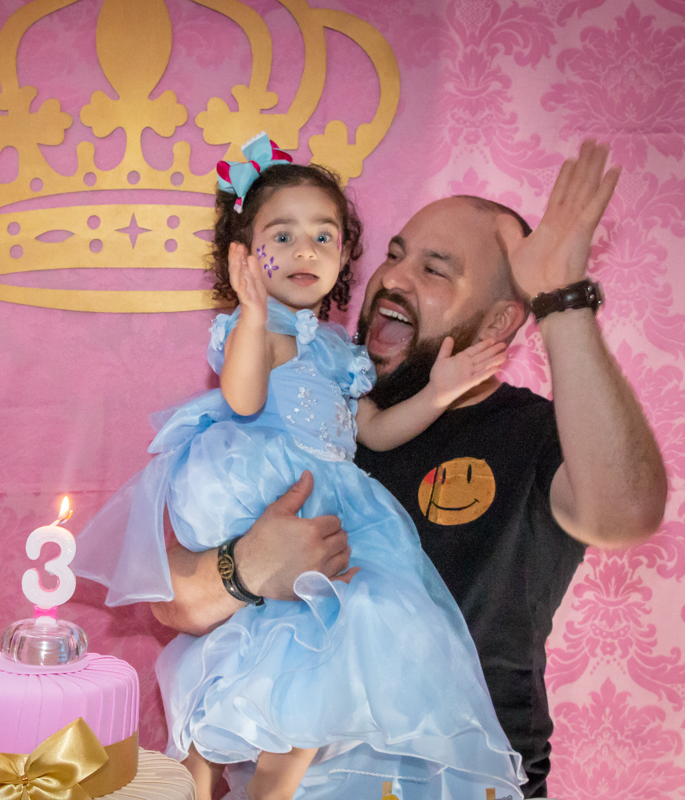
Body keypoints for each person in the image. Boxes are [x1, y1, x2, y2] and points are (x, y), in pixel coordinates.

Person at [144, 140, 668, 799]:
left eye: (435, 269)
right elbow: (172, 603)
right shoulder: (314, 414)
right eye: (394, 254)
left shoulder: (531, 433)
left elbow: (625, 510)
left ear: (503, 320)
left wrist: (561, 297)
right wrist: (246, 568)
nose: (394, 278)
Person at [75, 134, 523, 800]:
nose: (303, 251)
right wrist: (252, 314)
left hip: (334, 492)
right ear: (244, 257)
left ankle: (261, 781)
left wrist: (440, 390)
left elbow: (370, 428)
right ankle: (212, 776)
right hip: (271, 479)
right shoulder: (259, 330)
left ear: (344, 254)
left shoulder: (338, 350)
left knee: (304, 648)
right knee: (266, 646)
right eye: (280, 237)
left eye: (323, 236)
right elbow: (243, 397)